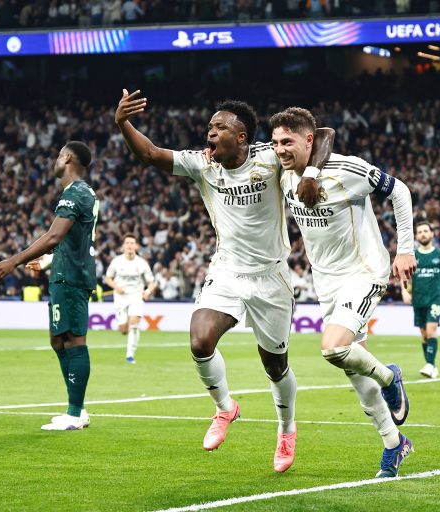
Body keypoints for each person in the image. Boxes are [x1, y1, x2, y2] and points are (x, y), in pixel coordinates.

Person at [115, 90, 330, 472]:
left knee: (275, 366)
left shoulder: (269, 157)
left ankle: (286, 429)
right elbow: (150, 153)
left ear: (241, 136)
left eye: (219, 127)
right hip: (227, 272)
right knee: (200, 340)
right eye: (210, 127)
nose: (210, 133)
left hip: (271, 277)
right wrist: (123, 123)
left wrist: (310, 174)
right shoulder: (203, 164)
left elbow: (324, 135)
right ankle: (224, 407)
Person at [270, 107, 416, 478]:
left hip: (363, 271)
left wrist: (405, 249)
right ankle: (394, 443)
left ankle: (390, 377)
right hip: (326, 281)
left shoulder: (347, 169)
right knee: (355, 374)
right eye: (275, 142)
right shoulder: (282, 172)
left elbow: (399, 191)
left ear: (308, 140)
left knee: (333, 348)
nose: (280, 149)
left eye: (287, 142)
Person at [0, 141, 99, 430]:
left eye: (58, 155)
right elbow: (74, 240)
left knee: (74, 340)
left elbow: (54, 236)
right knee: (58, 340)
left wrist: (14, 261)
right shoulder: (80, 192)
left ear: (67, 158)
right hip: (64, 272)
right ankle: (77, 409)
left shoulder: (75, 192)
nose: (55, 160)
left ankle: (75, 414)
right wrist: (50, 261)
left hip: (72, 277)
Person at [401, 222, 440, 380]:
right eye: (420, 232)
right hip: (418, 300)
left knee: (431, 329)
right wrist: (404, 292)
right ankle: (432, 366)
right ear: (416, 236)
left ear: (432, 234)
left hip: (435, 299)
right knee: (424, 334)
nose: (423, 234)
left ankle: (429, 364)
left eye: (426, 231)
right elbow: (404, 276)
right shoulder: (413, 256)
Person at [104, 234, 156, 364]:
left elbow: (152, 282)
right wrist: (116, 287)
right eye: (127, 243)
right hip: (120, 297)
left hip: (136, 296)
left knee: (134, 322)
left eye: (132, 243)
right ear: (123, 246)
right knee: (123, 330)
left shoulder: (142, 263)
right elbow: (107, 278)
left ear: (136, 246)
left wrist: (147, 292)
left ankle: (130, 355)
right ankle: (129, 327)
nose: (129, 245)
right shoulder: (117, 261)